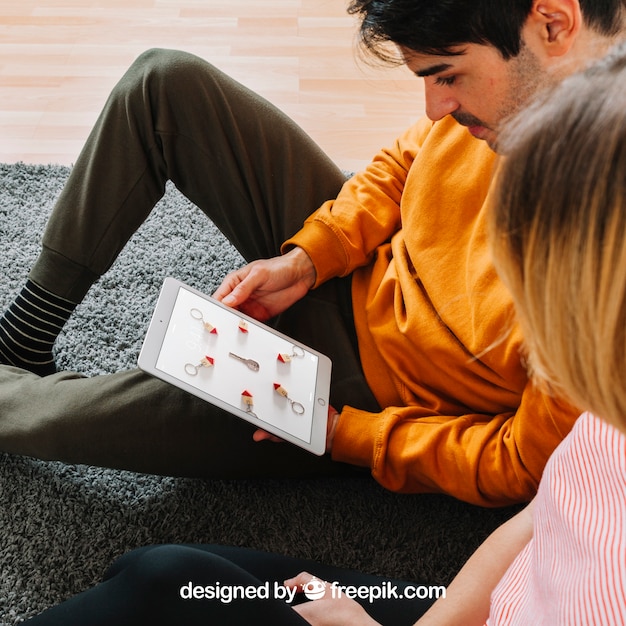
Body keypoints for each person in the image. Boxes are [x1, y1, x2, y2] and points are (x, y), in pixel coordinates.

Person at [24, 38, 626, 626]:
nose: (433, 106)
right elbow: (403, 164)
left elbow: (523, 462)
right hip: (360, 268)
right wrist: (308, 259)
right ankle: (26, 332)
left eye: (445, 75)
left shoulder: (595, 291)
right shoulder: (537, 88)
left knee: (50, 420)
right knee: (164, 79)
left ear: (552, 21)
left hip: (365, 394)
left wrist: (345, 433)